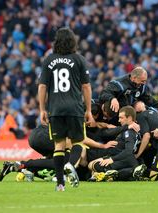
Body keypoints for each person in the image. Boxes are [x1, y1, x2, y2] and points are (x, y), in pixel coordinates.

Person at [38, 27, 95, 191]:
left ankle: (60, 184)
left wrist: (42, 109)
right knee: (78, 142)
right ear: (73, 42)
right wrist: (89, 110)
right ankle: (70, 164)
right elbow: (86, 86)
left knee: (59, 145)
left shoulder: (49, 60)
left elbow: (42, 87)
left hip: (55, 109)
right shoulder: (79, 59)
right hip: (74, 108)